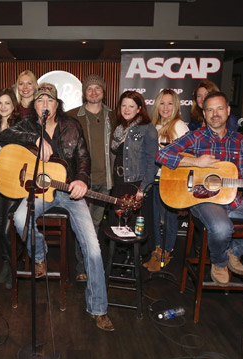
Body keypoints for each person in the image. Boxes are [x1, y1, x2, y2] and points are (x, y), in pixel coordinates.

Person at [0, 83, 114, 332]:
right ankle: (39, 256)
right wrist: (35, 137)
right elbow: (4, 136)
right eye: (40, 101)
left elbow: (83, 158)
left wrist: (82, 180)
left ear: (56, 104)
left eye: (49, 101)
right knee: (19, 219)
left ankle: (98, 308)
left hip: (69, 193)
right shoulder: (28, 125)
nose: (45, 105)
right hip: (40, 191)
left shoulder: (71, 125)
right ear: (35, 106)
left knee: (93, 248)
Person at [156, 91, 243, 286]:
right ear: (204, 114)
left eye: (220, 108)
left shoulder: (239, 139)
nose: (215, 114)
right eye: (210, 110)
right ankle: (219, 262)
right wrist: (196, 162)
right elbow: (162, 156)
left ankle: (234, 251)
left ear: (228, 111)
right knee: (222, 228)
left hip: (233, 199)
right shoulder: (194, 136)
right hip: (203, 200)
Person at [66, 73, 117, 282]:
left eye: (98, 88)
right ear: (84, 92)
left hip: (105, 180)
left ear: (103, 92)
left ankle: (90, 265)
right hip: (81, 180)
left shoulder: (114, 116)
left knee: (95, 225)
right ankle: (83, 267)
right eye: (90, 88)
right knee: (83, 225)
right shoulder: (71, 116)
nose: (94, 92)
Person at [144, 89, 188, 272]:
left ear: (176, 105)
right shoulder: (153, 125)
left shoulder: (179, 126)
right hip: (154, 178)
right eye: (162, 103)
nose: (166, 107)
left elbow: (188, 156)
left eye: (170, 103)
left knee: (170, 218)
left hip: (172, 179)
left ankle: (166, 252)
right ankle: (157, 250)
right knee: (154, 217)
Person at [109, 91, 158, 234]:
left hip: (136, 185)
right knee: (118, 227)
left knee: (135, 229)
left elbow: (152, 162)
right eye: (124, 105)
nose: (126, 109)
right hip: (119, 183)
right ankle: (121, 256)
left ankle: (136, 256)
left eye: (131, 106)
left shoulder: (148, 128)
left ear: (139, 109)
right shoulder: (119, 129)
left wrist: (143, 189)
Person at [0, 88, 21, 289]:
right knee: (1, 225)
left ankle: (15, 267)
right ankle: (8, 265)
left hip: (12, 182)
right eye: (0, 103)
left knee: (10, 227)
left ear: (14, 105)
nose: (3, 106)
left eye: (7, 103)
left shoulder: (19, 127)